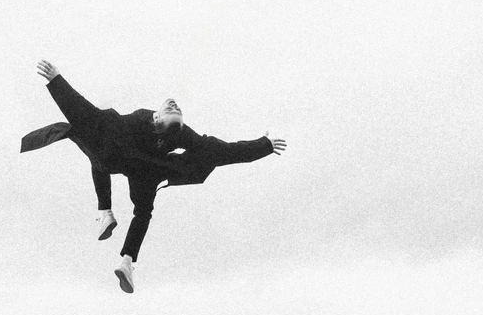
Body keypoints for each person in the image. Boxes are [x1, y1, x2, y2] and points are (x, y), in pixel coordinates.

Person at [21, 60, 287, 293]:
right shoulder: (180, 133)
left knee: (97, 143)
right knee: (142, 212)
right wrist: (263, 146)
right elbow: (220, 151)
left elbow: (86, 113)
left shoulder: (136, 123)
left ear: (157, 118)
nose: (175, 105)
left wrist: (57, 81)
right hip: (147, 170)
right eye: (175, 109)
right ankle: (121, 248)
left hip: (117, 155)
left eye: (173, 111)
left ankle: (110, 224)